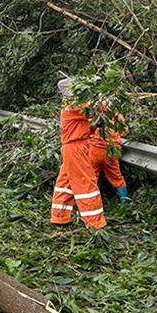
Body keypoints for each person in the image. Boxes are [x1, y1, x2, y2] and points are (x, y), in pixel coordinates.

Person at [50, 78, 107, 230]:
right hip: (76, 148)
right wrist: (106, 98)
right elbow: (96, 108)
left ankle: (59, 217)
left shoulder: (71, 107)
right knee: (86, 182)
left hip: (74, 147)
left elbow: (88, 123)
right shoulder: (73, 106)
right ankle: (95, 223)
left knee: (65, 183)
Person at [89, 108, 130, 204]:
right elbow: (124, 132)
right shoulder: (117, 116)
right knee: (117, 178)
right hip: (111, 151)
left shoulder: (97, 115)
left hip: (95, 150)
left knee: (92, 178)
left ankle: (91, 204)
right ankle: (125, 204)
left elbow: (88, 129)